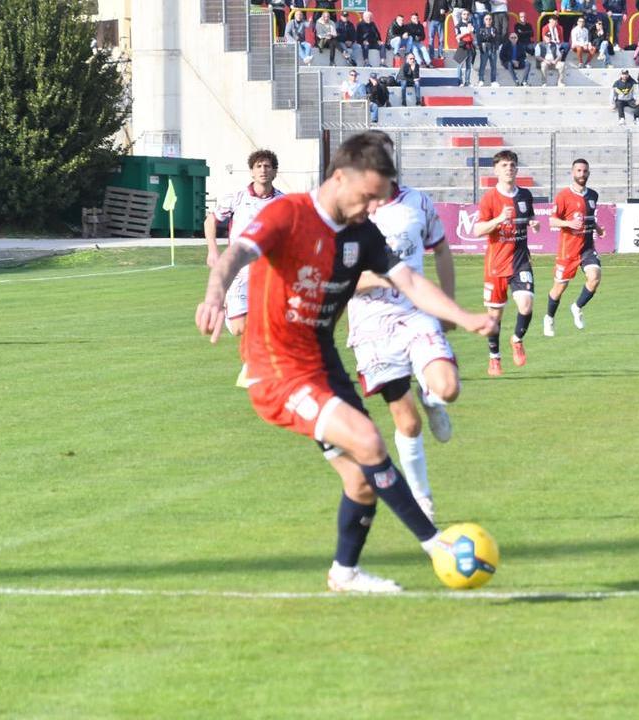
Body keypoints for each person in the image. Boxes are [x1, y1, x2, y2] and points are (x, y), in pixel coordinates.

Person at [194, 133, 495, 593]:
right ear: (340, 178)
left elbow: (410, 282)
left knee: (360, 482)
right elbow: (236, 253)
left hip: (322, 366)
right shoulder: (288, 214)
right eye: (367, 196)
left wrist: (464, 317)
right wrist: (215, 292)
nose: (373, 207)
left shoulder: (361, 234)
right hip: (276, 369)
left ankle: (345, 573)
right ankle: (437, 545)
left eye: (379, 199)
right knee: (369, 440)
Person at [346, 132, 460, 522]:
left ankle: (433, 399)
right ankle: (423, 501)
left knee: (448, 387)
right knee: (405, 422)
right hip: (371, 325)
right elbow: (339, 276)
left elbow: (441, 249)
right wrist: (379, 279)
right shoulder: (350, 213)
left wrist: (447, 303)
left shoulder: (418, 202)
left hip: (416, 312)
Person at [203, 149, 284, 365]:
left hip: (270, 271)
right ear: (251, 172)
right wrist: (212, 250)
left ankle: (257, 365)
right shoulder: (236, 199)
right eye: (258, 166)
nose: (263, 170)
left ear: (275, 171)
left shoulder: (284, 202)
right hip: (240, 272)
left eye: (267, 166)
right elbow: (210, 221)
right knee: (238, 328)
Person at [474, 150, 541, 376]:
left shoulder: (525, 195)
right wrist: (499, 219)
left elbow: (529, 216)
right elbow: (477, 230)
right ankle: (494, 358)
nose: (509, 169)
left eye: (512, 165)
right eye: (504, 165)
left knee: (526, 304)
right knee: (494, 317)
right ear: (496, 170)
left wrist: (533, 223)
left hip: (521, 261)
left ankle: (517, 339)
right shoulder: (489, 199)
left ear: (517, 169)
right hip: (496, 265)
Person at [544, 159, 604, 337]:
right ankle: (549, 318)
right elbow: (552, 221)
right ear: (573, 173)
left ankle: (577, 307)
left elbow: (590, 218)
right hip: (568, 250)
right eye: (579, 171)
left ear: (588, 173)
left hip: (586, 248)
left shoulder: (593, 195)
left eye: (585, 171)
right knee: (559, 289)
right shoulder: (563, 196)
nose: (582, 174)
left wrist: (599, 229)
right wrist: (569, 223)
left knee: (594, 277)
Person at [476, 13, 501, 86]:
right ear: (484, 21)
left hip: (492, 48)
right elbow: (480, 39)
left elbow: (496, 39)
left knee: (493, 66)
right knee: (482, 65)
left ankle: (493, 81)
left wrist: (496, 47)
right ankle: (481, 80)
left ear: (492, 20)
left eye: (490, 19)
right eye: (486, 19)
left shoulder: (494, 29)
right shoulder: (481, 29)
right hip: (484, 49)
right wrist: (481, 49)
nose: (488, 21)